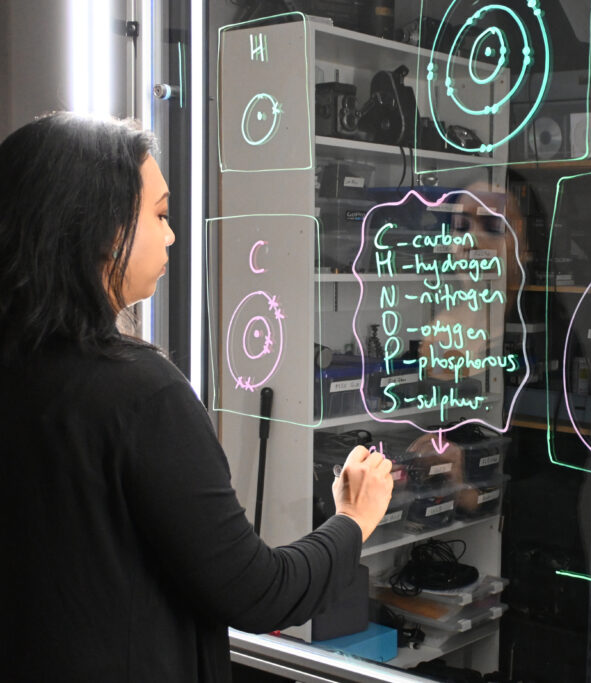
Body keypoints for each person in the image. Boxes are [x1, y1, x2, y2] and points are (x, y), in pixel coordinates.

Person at [0, 112, 394, 681]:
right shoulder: (141, 394)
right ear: (101, 229)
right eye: (158, 214)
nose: (172, 234)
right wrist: (353, 519)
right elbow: (259, 592)